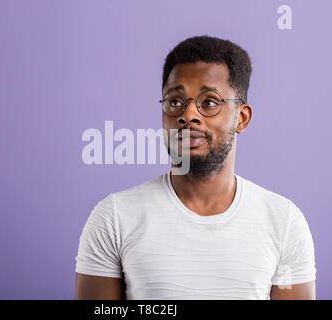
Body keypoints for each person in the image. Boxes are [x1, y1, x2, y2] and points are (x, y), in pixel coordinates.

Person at [75, 35, 316, 300]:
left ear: (242, 118)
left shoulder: (284, 222)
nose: (188, 115)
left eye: (209, 102)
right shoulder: (115, 218)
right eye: (175, 101)